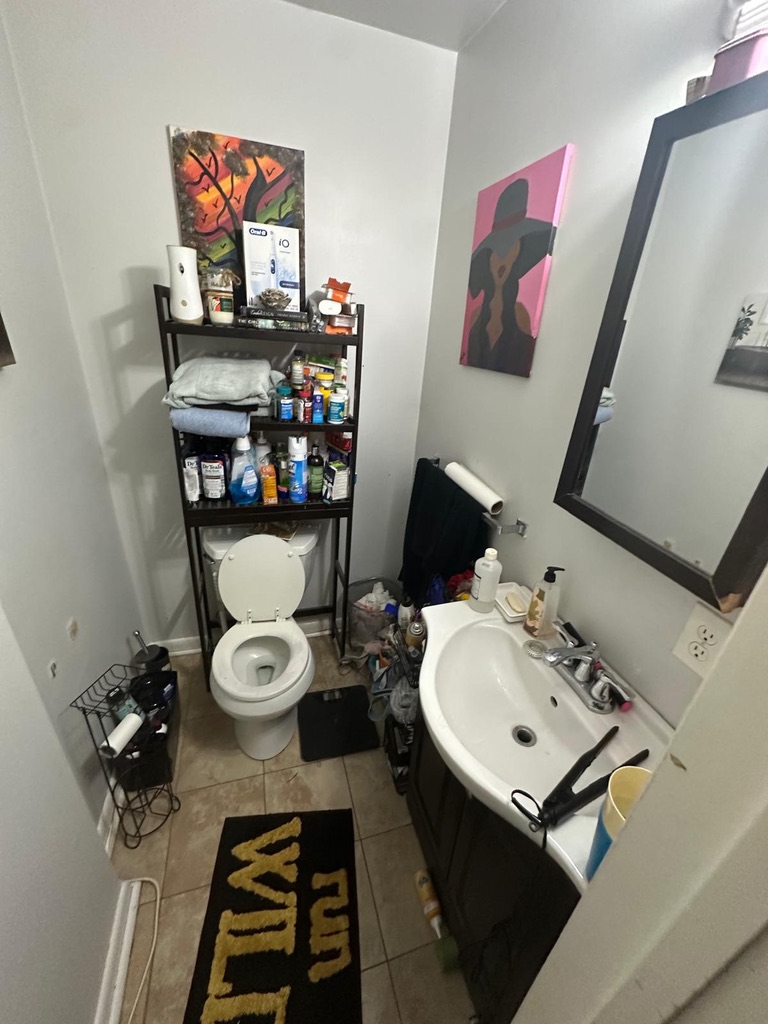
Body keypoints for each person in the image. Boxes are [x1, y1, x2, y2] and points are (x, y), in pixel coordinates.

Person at [464, 177, 555, 376]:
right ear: (488, 259)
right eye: (496, 252)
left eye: (510, 250)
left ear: (518, 255)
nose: (502, 261)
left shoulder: (520, 316)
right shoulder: (476, 318)